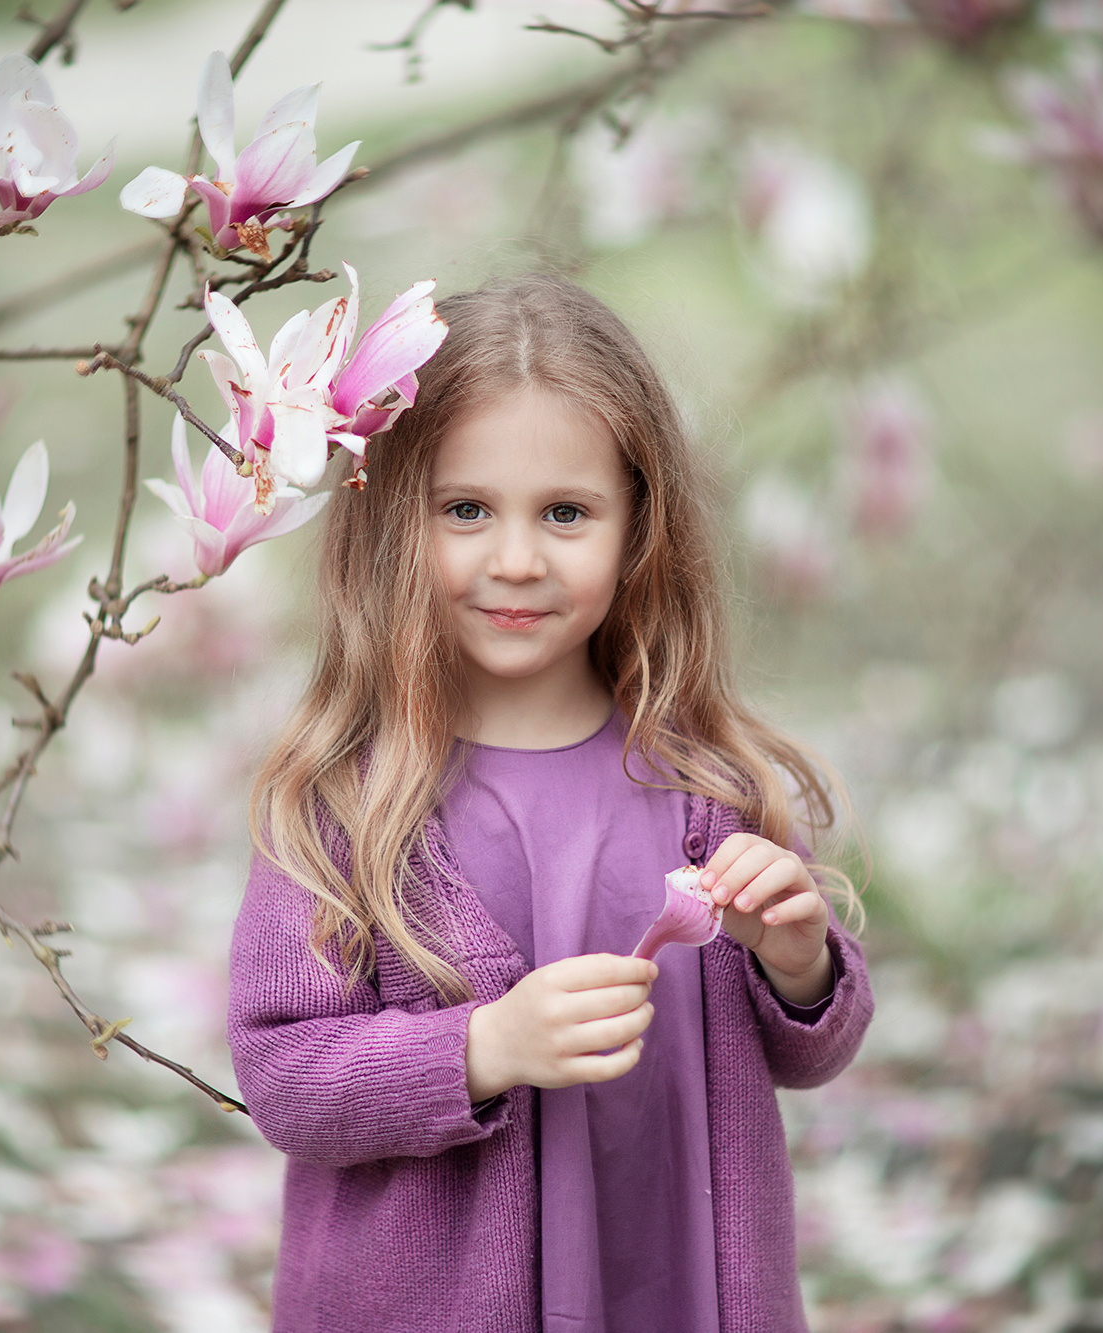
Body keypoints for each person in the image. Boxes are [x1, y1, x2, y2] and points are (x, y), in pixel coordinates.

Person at [229, 272, 875, 1333]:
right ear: (395, 518)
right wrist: (478, 1049)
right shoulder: (343, 801)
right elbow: (287, 1080)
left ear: (638, 529)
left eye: (566, 512)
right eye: (467, 509)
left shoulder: (705, 782)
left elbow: (813, 1047)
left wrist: (793, 956)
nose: (516, 559)